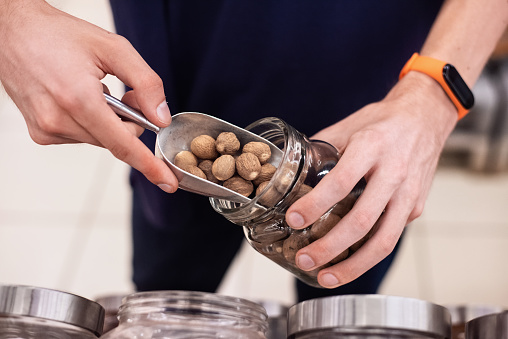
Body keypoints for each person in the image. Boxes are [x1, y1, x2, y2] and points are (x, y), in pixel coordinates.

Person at [0, 0, 506, 302]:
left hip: (361, 122)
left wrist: (435, 92)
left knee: (338, 297)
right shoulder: (196, 146)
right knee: (169, 295)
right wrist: (12, 20)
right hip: (175, 102)